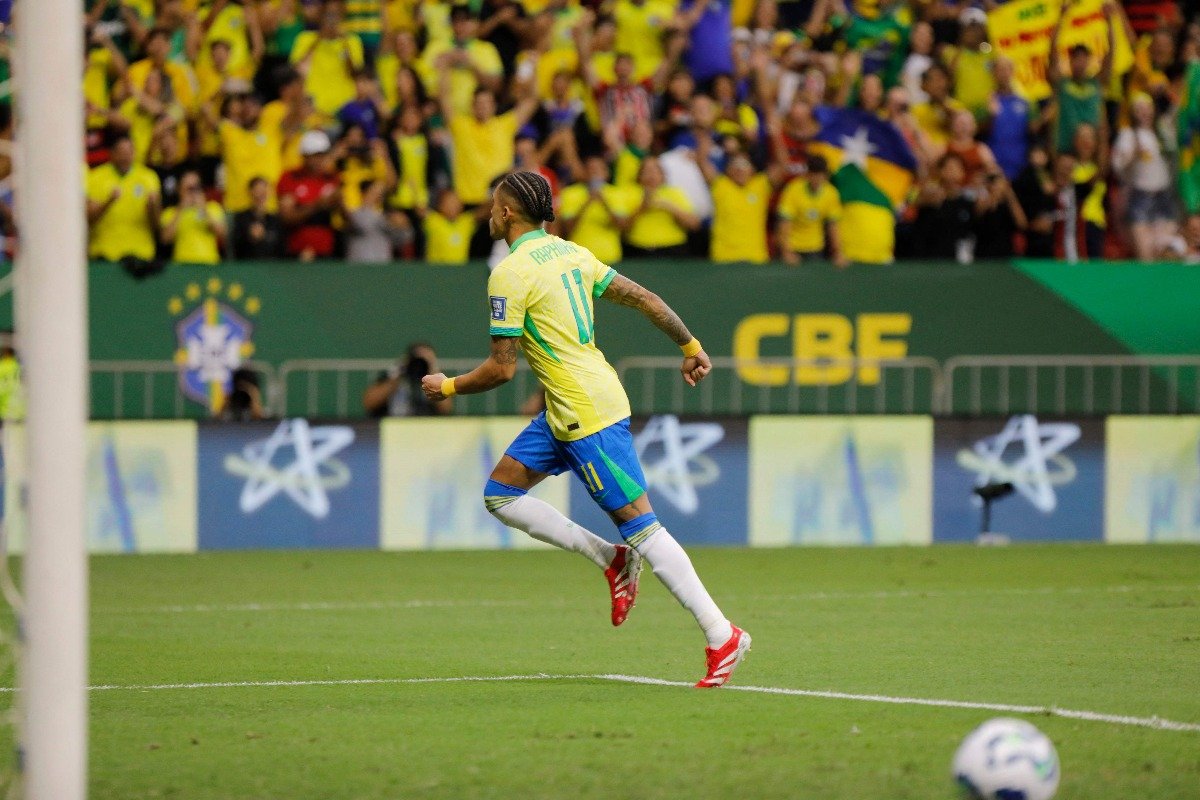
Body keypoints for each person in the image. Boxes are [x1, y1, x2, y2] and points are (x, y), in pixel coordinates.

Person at [420, 171, 751, 689]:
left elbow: (502, 368)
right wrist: (690, 346)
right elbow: (644, 298)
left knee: (643, 526)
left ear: (508, 213)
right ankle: (613, 560)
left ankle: (721, 634)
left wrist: (449, 387)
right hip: (567, 407)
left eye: (493, 205)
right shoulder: (570, 252)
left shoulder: (509, 273)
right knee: (501, 494)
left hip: (586, 415)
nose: (489, 212)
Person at [86, 134, 162, 274]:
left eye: (129, 152)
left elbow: (157, 225)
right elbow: (89, 219)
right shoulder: (96, 177)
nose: (125, 157)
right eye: (121, 153)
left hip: (140, 256)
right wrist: (108, 202)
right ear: (112, 154)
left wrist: (153, 206)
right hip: (104, 256)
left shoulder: (148, 177)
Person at [277, 129, 342, 260]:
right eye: (315, 155)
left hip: (327, 249)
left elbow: (344, 219)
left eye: (322, 155)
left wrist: (340, 204)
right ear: (305, 156)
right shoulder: (290, 177)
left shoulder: (332, 178)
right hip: (297, 249)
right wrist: (316, 206)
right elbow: (286, 217)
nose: (319, 160)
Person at [776, 155, 846, 266]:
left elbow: (833, 226)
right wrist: (786, 252)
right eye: (813, 175)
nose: (816, 179)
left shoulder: (831, 193)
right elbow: (784, 224)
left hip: (815, 250)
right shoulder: (793, 190)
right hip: (793, 247)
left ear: (825, 176)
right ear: (807, 175)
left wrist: (838, 253)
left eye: (820, 175)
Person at [363, 343, 451, 417]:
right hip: (395, 426)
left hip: (426, 427)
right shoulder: (394, 378)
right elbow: (369, 404)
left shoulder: (436, 379)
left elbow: (445, 409)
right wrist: (397, 374)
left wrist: (433, 370)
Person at [159, 170, 226, 264]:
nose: (193, 192)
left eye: (196, 188)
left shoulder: (212, 207)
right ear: (179, 190)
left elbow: (222, 233)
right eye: (189, 189)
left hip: (209, 263)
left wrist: (204, 209)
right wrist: (180, 209)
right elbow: (165, 239)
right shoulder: (171, 212)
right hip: (182, 264)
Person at [230, 176, 284, 258]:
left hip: (271, 267)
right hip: (247, 266)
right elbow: (235, 247)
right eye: (258, 190)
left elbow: (282, 249)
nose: (262, 194)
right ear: (250, 192)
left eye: (264, 190)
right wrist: (249, 237)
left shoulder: (275, 220)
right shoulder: (241, 218)